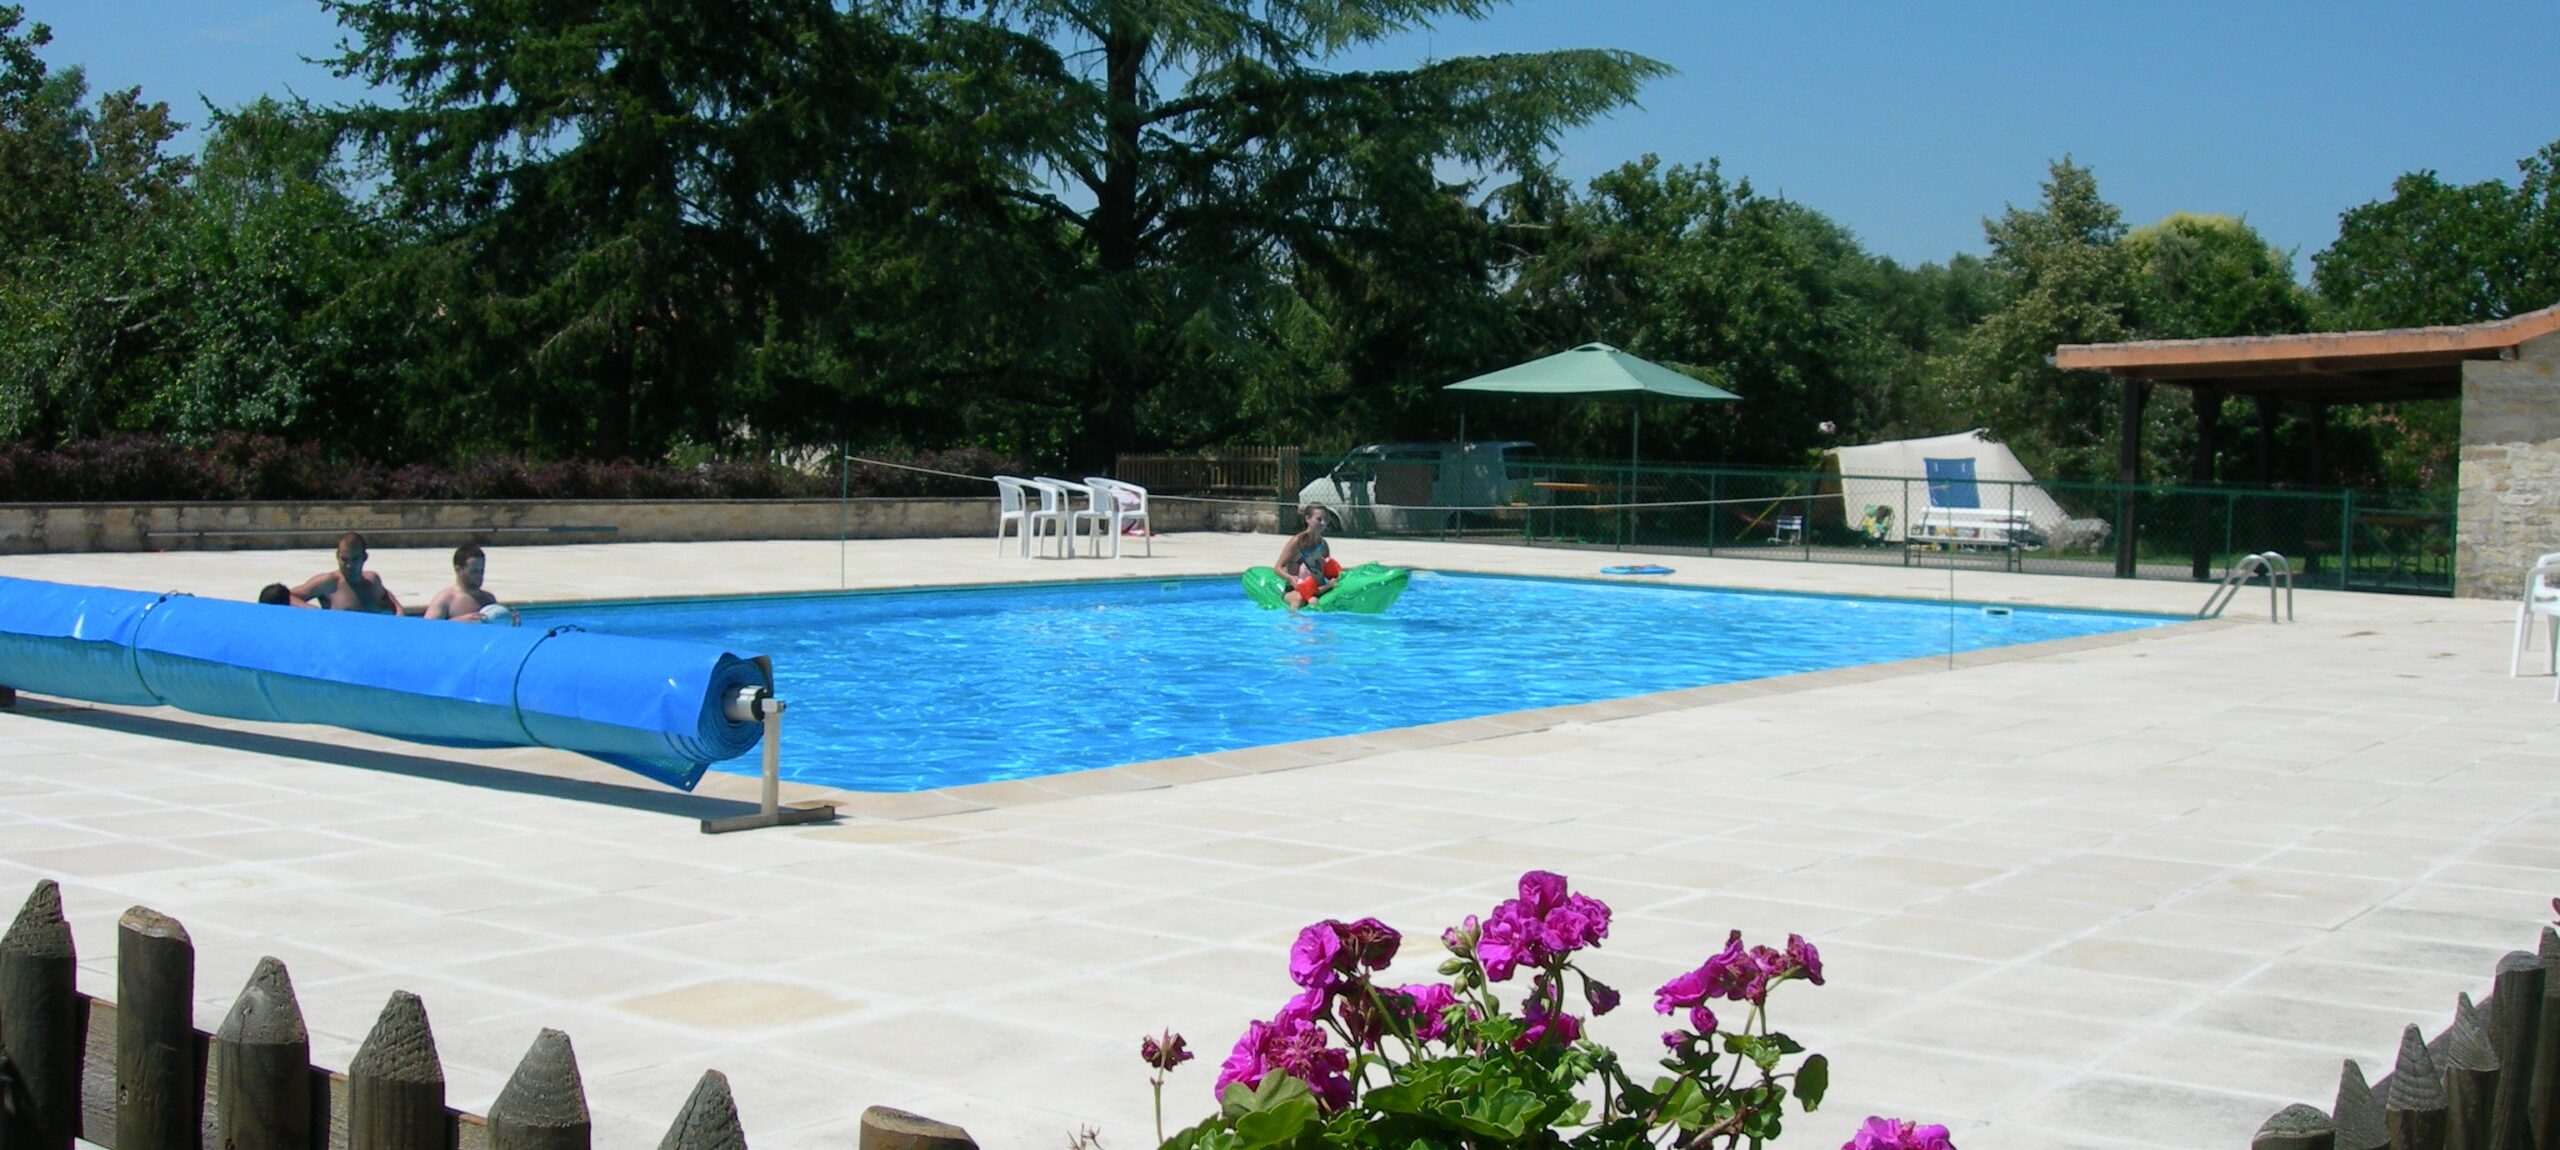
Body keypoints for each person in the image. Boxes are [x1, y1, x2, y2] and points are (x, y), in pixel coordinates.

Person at [288, 532, 403, 614]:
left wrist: (399, 609)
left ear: (364, 558)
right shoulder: (329, 583)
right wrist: (309, 608)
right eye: (344, 559)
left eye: (355, 559)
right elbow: (287, 595)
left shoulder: (372, 581)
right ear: (337, 557)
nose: (349, 565)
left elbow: (386, 596)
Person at [1272, 504, 1344, 609]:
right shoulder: (1297, 542)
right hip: (1295, 588)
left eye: (1326, 520)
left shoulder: (1323, 545)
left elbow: (1326, 571)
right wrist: (1291, 578)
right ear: (1307, 519)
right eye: (1319, 519)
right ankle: (1291, 623)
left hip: (1318, 588)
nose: (1323, 523)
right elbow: (1277, 568)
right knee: (1299, 599)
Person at [422, 543, 501, 622]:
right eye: (474, 571)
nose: (479, 575)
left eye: (481, 570)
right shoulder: (446, 599)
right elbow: (427, 629)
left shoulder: (488, 599)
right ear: (458, 570)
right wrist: (457, 622)